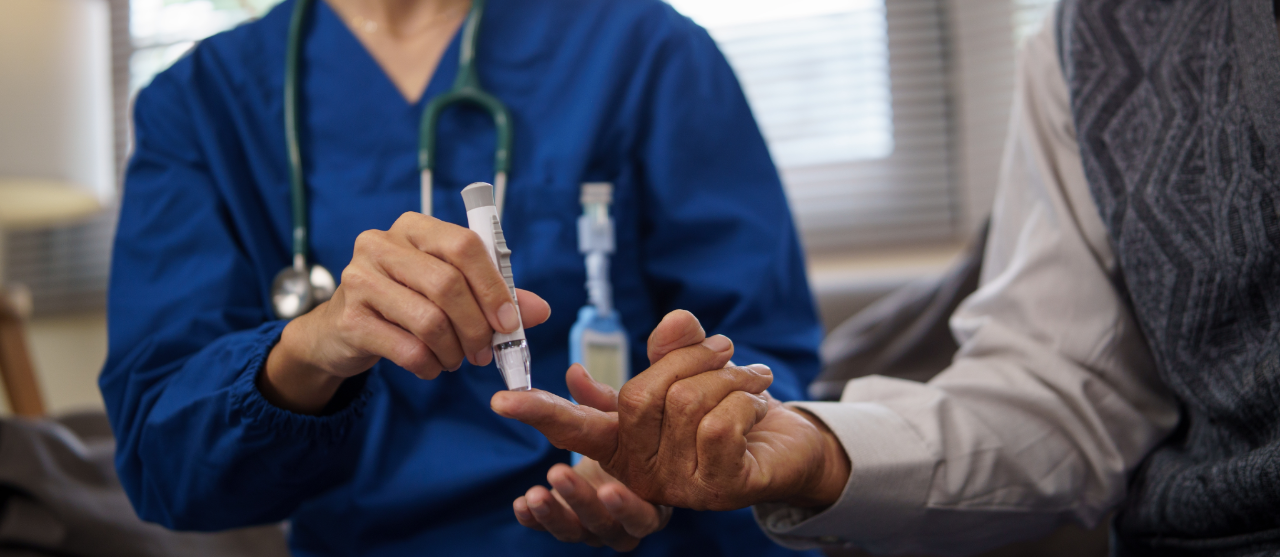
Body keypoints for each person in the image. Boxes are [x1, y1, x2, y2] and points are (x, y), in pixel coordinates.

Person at [494, 1, 1280, 555]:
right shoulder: (1102, 40)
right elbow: (1064, 387)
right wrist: (820, 452)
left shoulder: (645, 48)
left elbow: (754, 328)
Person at [98, 0, 825, 555]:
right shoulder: (201, 104)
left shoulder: (643, 49)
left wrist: (684, 453)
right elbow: (168, 470)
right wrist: (310, 346)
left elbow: (763, 363)